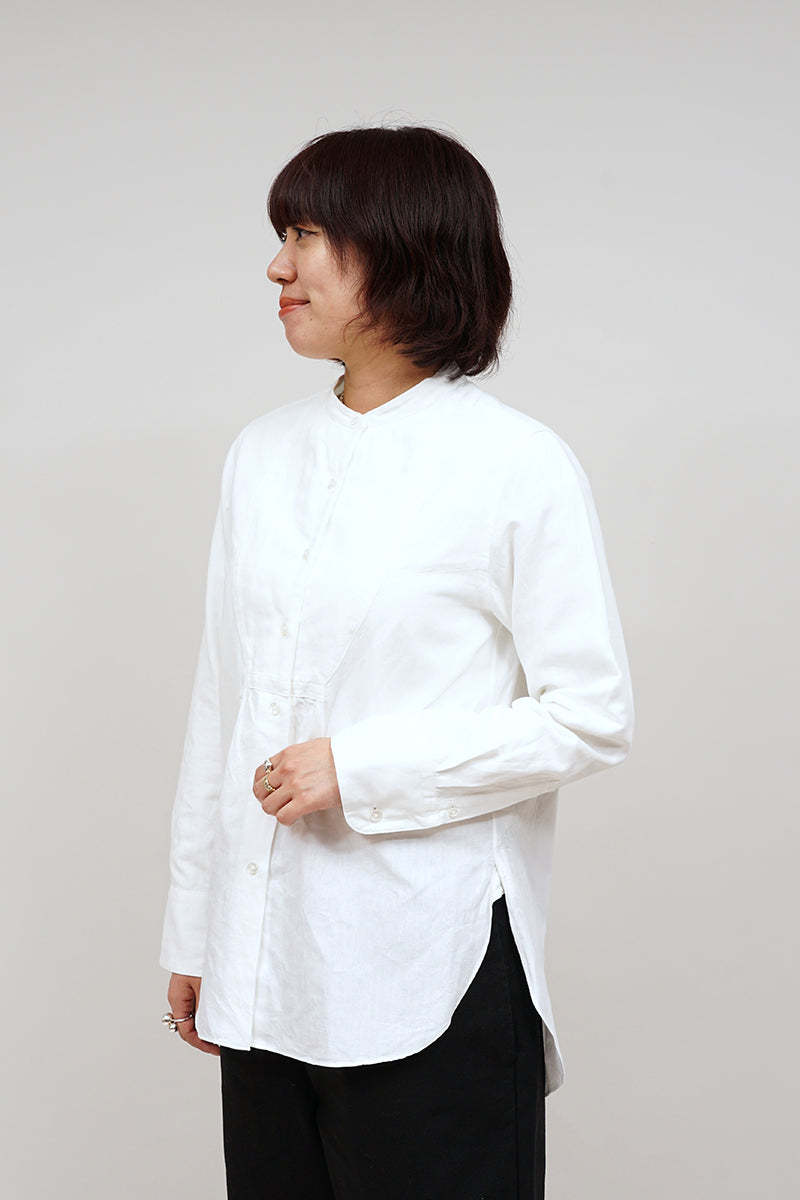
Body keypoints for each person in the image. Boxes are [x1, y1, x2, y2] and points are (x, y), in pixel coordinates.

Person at [159, 125, 635, 1199]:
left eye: (306, 235)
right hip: (265, 969)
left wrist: (360, 768)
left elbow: (589, 714)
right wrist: (198, 929)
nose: (277, 266)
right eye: (282, 236)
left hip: (426, 966)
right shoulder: (260, 455)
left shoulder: (514, 464)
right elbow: (222, 704)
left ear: (403, 248)